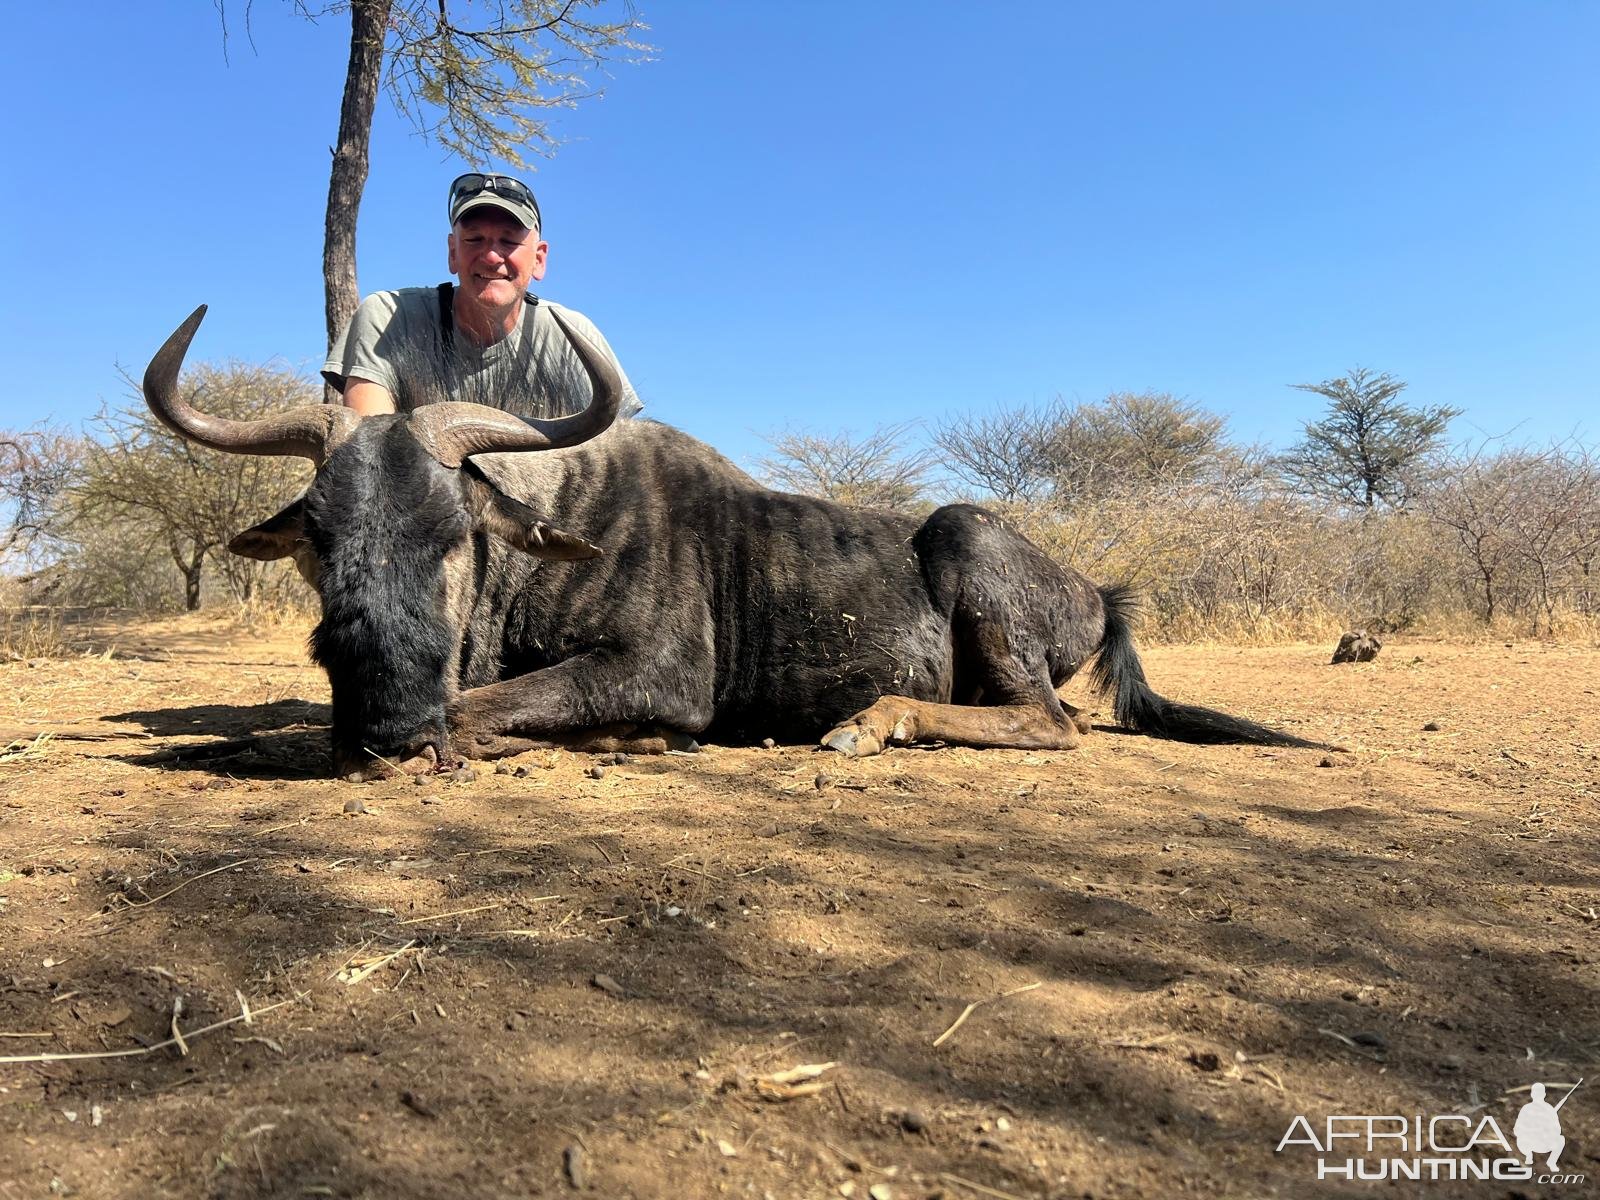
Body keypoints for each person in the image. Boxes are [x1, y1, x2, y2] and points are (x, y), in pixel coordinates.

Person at [322, 171, 641, 421]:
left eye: (509, 241)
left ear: (539, 259)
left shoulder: (573, 335)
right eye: (474, 239)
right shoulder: (388, 315)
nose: (491, 257)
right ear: (452, 253)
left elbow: (620, 453)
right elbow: (372, 450)